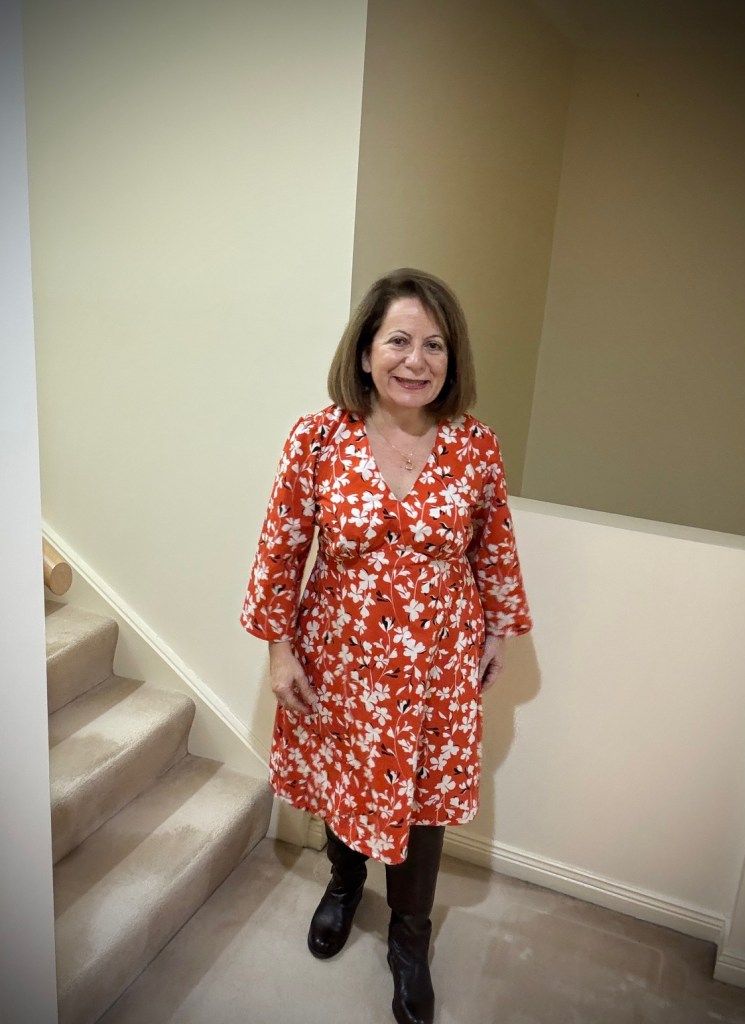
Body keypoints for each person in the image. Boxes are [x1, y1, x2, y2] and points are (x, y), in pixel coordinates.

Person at [241, 268, 532, 1024]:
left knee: (425, 800)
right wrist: (279, 650)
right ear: (366, 351)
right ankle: (344, 885)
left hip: (437, 662)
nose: (416, 360)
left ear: (452, 359)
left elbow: (494, 547)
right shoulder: (318, 437)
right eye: (399, 340)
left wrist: (498, 630)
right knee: (345, 777)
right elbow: (281, 550)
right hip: (340, 656)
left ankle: (409, 938)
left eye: (435, 345)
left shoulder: (475, 446)